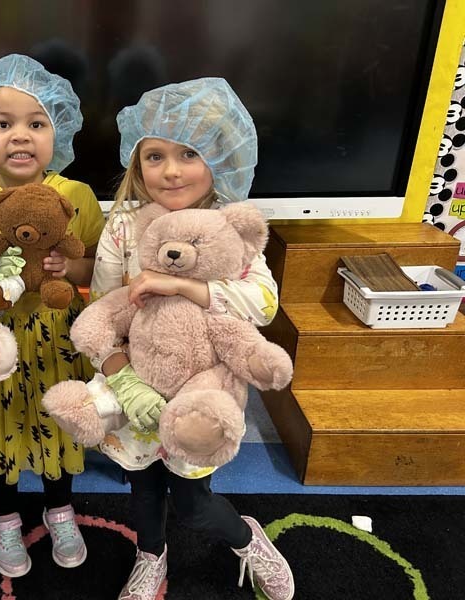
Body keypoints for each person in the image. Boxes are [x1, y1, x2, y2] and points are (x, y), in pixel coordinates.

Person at [90, 79, 294, 600]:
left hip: (203, 391)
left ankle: (246, 537)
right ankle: (151, 556)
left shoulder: (231, 227)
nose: (171, 169)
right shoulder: (124, 226)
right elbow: (102, 309)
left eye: (189, 153)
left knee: (193, 500)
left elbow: (264, 303)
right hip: (139, 381)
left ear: (220, 159)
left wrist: (182, 284)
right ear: (137, 165)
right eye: (154, 155)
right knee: (141, 488)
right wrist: (123, 378)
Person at [0, 54, 105, 577]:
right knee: (1, 425)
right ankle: (4, 518)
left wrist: (72, 262)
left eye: (36, 124)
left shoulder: (76, 195)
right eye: (3, 124)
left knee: (61, 419)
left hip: (60, 335)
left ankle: (60, 510)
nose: (20, 136)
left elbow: (97, 261)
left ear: (56, 133)